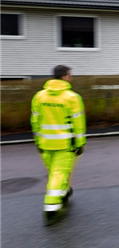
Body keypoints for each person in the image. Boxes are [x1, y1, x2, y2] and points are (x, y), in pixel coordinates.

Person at [31, 65, 86, 225]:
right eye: (70, 75)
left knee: (55, 173)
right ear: (65, 76)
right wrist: (80, 143)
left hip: (45, 143)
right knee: (59, 174)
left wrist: (37, 141)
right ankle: (51, 207)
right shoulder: (72, 97)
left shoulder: (39, 96)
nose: (72, 78)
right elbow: (78, 123)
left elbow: (35, 121)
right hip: (65, 144)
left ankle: (64, 193)